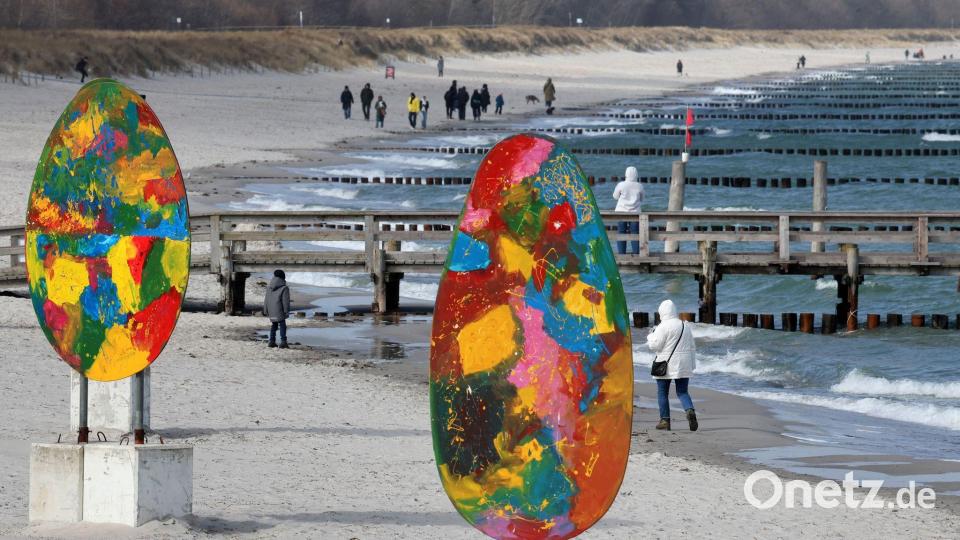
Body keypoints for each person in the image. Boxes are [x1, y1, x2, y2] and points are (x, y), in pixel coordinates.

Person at [647, 299, 697, 431]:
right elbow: (692, 347)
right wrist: (692, 364)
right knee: (682, 392)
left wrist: (650, 337)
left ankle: (665, 421)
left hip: (666, 365)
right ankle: (690, 410)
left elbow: (655, 346)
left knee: (663, 393)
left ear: (662, 312)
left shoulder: (662, 327)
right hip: (684, 364)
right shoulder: (685, 325)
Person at [613, 166, 644, 255]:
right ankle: (636, 253)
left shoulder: (621, 184)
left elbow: (615, 196)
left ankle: (622, 254)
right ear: (636, 175)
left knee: (621, 232)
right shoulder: (639, 186)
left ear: (626, 174)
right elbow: (642, 199)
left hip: (621, 211)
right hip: (635, 212)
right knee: (635, 233)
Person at [263, 269, 291, 349]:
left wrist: (265, 310)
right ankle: (283, 342)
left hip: (271, 310)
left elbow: (266, 300)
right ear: (283, 277)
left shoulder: (269, 287)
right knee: (282, 325)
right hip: (280, 310)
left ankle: (271, 341)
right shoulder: (284, 288)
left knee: (274, 325)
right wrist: (286, 311)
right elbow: (285, 301)